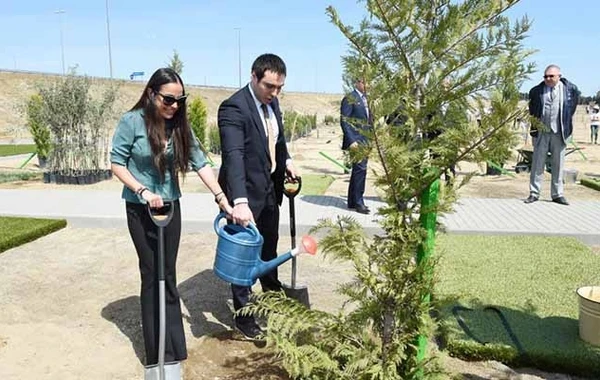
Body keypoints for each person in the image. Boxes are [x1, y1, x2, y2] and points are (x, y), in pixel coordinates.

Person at [110, 67, 233, 368]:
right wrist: (142, 191)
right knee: (152, 272)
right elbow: (117, 163)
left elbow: (200, 163)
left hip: (170, 208)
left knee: (169, 272)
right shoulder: (132, 122)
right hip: (141, 209)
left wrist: (222, 199)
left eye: (180, 100)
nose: (174, 106)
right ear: (151, 94)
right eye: (168, 99)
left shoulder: (179, 126)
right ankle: (156, 353)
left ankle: (174, 347)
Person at [217, 53, 298, 340]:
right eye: (269, 86)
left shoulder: (272, 102)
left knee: (269, 247)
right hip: (244, 194)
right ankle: (244, 315)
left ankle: (271, 297)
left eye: (279, 88)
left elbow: (278, 140)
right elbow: (234, 156)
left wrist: (286, 161)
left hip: (269, 189)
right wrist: (238, 201)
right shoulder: (233, 108)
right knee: (243, 257)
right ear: (253, 77)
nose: (274, 93)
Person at [525, 64, 579, 206]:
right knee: (537, 163)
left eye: (551, 76)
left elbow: (570, 110)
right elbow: (532, 112)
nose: (548, 79)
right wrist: (534, 131)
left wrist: (566, 127)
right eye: (546, 76)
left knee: (558, 164)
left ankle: (557, 194)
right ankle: (534, 193)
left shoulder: (571, 90)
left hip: (559, 132)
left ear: (559, 76)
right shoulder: (536, 91)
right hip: (542, 131)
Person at [340, 78, 372, 214]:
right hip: (356, 142)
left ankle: (352, 200)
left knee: (357, 171)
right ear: (357, 83)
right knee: (361, 170)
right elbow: (344, 121)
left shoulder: (367, 99)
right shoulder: (350, 98)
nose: (367, 84)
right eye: (364, 82)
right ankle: (359, 202)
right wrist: (351, 140)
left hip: (366, 141)